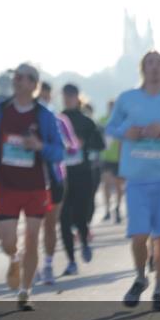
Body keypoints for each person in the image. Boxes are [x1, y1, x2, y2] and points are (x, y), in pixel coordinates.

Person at [106, 50, 160, 312]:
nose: (154, 68)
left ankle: (159, 291)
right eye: (149, 63)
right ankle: (141, 278)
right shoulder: (127, 99)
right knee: (138, 236)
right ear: (142, 69)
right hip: (137, 180)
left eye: (159, 64)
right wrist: (127, 132)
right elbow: (111, 128)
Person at [0, 63, 64, 306]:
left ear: (34, 84)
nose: (17, 80)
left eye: (24, 77)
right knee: (7, 241)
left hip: (36, 185)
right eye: (16, 76)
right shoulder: (0, 110)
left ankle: (25, 291)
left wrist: (39, 147)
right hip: (6, 184)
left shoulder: (45, 116)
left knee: (32, 237)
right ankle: (14, 260)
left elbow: (59, 152)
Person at [60, 84, 105, 270]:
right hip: (62, 175)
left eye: (72, 95)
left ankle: (85, 242)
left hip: (83, 173)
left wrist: (84, 142)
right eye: (66, 95)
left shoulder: (87, 121)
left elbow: (100, 145)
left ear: (78, 97)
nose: (68, 98)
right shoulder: (58, 119)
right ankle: (71, 261)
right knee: (63, 218)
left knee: (80, 216)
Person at [37, 81, 78, 280]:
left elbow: (73, 146)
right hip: (32, 178)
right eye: (40, 97)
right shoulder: (29, 119)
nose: (43, 101)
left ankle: (48, 264)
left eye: (46, 97)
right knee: (33, 224)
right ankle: (32, 261)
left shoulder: (59, 119)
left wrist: (66, 146)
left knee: (50, 224)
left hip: (56, 178)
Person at [99, 99, 124, 223]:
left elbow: (123, 141)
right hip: (106, 158)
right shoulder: (102, 121)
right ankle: (107, 210)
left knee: (119, 186)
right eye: (110, 107)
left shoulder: (121, 122)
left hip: (118, 159)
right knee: (106, 184)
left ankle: (118, 208)